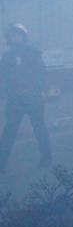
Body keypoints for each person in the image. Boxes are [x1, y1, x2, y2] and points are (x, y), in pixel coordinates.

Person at [0, 24, 52, 172]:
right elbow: (2, 77)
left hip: (32, 99)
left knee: (39, 128)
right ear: (9, 39)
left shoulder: (34, 53)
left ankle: (46, 158)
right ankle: (1, 163)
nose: (15, 38)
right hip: (15, 100)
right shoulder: (6, 57)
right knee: (9, 132)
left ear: (24, 37)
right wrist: (5, 92)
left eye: (18, 35)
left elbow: (41, 75)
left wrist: (35, 90)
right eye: (12, 36)